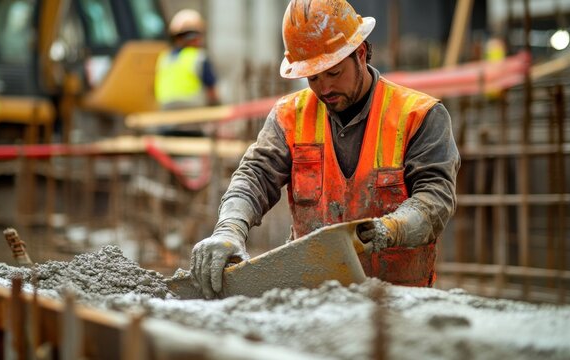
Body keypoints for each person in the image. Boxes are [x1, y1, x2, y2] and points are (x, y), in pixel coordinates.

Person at [190, 0, 461, 299]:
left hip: (399, 302)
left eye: (333, 73)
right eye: (313, 77)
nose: (324, 88)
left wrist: (389, 229)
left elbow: (435, 199)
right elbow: (254, 176)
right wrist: (229, 228)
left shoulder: (418, 115)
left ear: (360, 53)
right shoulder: (291, 116)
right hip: (313, 302)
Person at [154, 8, 220, 136]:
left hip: (166, 121)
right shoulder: (199, 57)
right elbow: (212, 93)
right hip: (193, 122)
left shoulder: (164, 58)